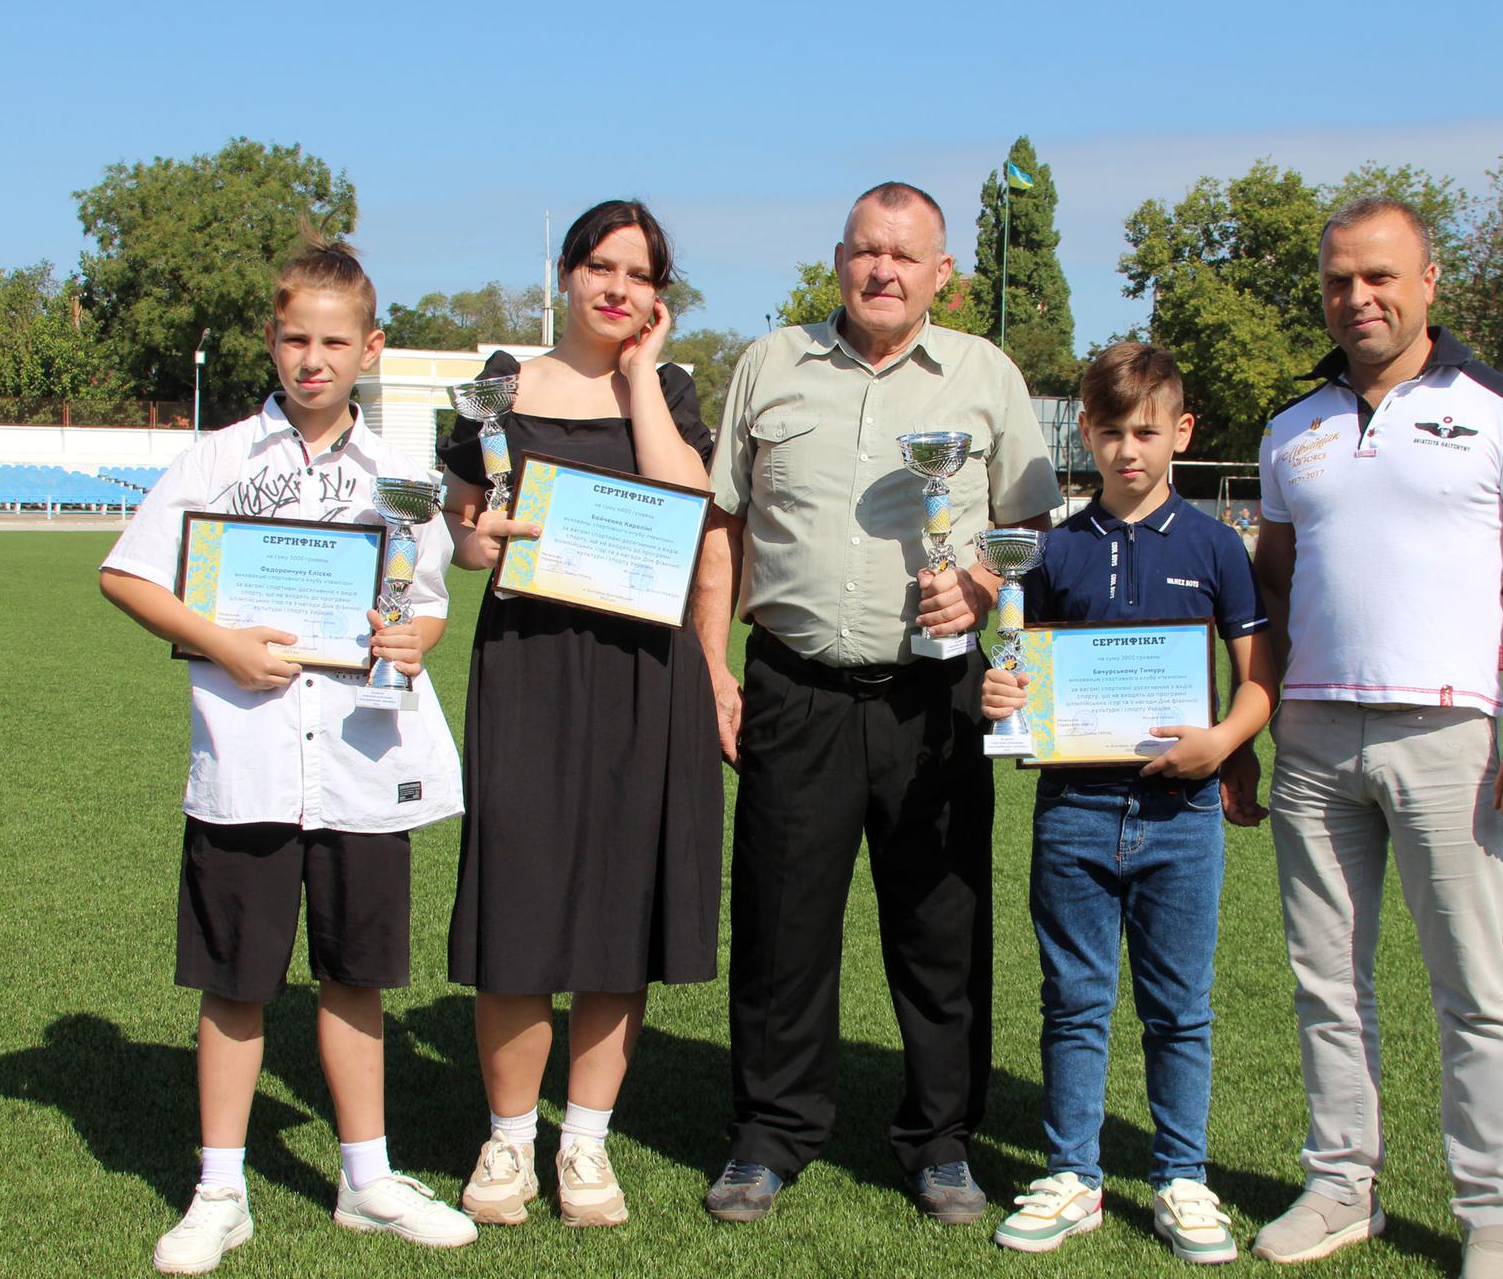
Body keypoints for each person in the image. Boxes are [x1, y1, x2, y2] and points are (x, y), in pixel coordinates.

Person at [99, 233, 476, 1274]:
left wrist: (414, 639)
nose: (314, 359)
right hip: (247, 765)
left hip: (360, 767)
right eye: (297, 339)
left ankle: (367, 1179)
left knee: (357, 976)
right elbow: (126, 575)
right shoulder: (217, 459)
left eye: (335, 342)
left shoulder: (400, 477)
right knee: (235, 982)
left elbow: (428, 603)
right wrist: (218, 641)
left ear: (371, 348)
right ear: (270, 340)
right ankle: (219, 1190)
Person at [692, 181, 1063, 1225]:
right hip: (793, 686)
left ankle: (941, 1140)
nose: (882, 271)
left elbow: (1034, 529)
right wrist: (712, 667)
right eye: (866, 250)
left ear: (943, 273)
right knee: (780, 926)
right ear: (838, 258)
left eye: (905, 256)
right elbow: (723, 525)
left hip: (935, 698)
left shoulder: (985, 375)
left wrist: (979, 584)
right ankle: (770, 1134)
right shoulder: (771, 364)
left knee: (942, 926)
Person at [1244, 197, 1503, 1279]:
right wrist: (1249, 722)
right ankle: (1342, 1186)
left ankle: (1494, 1217)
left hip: (1449, 735)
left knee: (1473, 989)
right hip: (1312, 737)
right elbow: (1269, 590)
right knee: (1325, 984)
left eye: (1381, 276)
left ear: (1429, 281)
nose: (1359, 297)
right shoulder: (1292, 427)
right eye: (1340, 280)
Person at [435, 200, 721, 1230]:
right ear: (565, 272)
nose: (616, 288)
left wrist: (640, 376)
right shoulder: (500, 385)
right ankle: (510, 1139)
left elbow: (689, 503)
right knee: (515, 898)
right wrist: (477, 541)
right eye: (600, 266)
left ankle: (585, 1143)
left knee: (616, 905)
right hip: (529, 664)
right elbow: (463, 527)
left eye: (639, 275)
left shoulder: (671, 391)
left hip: (645, 671)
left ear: (659, 296)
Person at [980, 344, 1275, 1262]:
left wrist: (1224, 742)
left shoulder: (1215, 545)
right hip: (1072, 809)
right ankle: (1073, 1175)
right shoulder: (1055, 549)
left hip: (1181, 816)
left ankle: (1182, 1177)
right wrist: (1003, 695)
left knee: (1179, 1008)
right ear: (1087, 435)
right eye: (1110, 432)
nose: (1127, 450)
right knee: (1073, 1001)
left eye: (1146, 432)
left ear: (1181, 431)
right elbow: (1025, 673)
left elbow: (1259, 680)